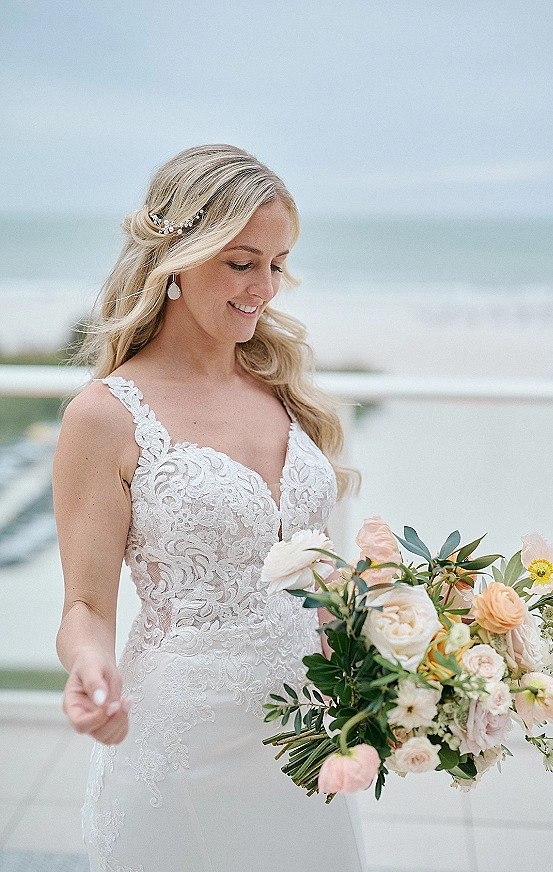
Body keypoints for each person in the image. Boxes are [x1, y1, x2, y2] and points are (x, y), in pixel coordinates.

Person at [54, 144, 366, 872]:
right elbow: (85, 608)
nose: (266, 287)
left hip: (306, 743)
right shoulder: (104, 417)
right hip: (184, 752)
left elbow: (325, 577)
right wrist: (90, 667)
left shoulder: (284, 389)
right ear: (178, 255)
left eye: (278, 263)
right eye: (242, 261)